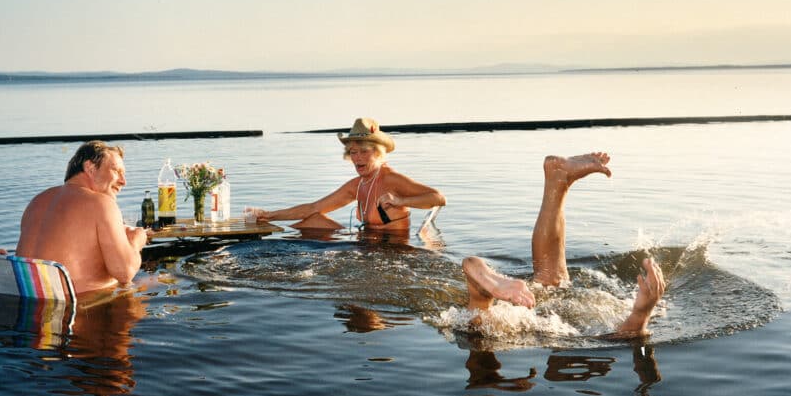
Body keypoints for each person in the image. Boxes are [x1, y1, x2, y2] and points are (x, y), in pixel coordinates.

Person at [462, 152, 666, 338]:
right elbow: (622, 337)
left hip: (530, 314)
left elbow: (623, 336)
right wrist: (641, 312)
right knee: (549, 283)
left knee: (545, 285)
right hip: (540, 314)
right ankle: (557, 180)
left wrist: (642, 313)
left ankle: (558, 181)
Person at [255, 118, 447, 234]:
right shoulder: (358, 184)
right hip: (364, 244)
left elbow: (438, 199)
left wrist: (399, 200)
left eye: (364, 152)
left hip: (391, 252)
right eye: (353, 152)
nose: (358, 158)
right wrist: (270, 216)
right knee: (314, 219)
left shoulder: (390, 179)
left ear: (378, 152)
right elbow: (313, 208)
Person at [16, 140, 148, 295]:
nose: (123, 181)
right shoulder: (101, 203)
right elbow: (124, 273)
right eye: (116, 171)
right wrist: (136, 239)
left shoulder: (37, 201)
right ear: (90, 168)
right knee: (156, 283)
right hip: (77, 311)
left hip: (27, 306)